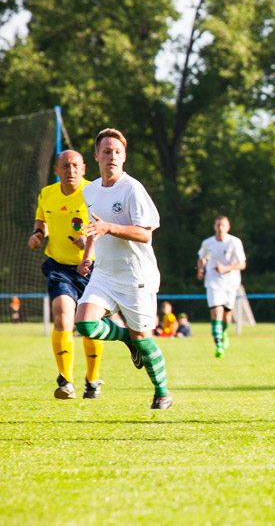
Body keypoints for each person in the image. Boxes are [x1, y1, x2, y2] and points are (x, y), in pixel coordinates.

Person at [73, 128, 172, 410]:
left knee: (144, 338)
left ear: (124, 156)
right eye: (107, 151)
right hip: (104, 272)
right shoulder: (89, 190)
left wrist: (109, 227)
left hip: (135, 275)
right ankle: (127, 338)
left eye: (118, 152)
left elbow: (145, 234)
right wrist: (87, 256)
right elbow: (94, 226)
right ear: (96, 156)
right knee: (85, 323)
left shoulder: (132, 189)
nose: (112, 156)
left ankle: (162, 393)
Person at [28, 150, 105, 399]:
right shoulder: (47, 193)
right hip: (59, 267)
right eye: (65, 166)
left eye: (75, 166)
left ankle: (92, 380)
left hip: (92, 268)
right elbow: (42, 219)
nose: (70, 170)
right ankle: (65, 381)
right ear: (56, 170)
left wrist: (89, 241)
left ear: (83, 169)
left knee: (90, 325)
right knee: (62, 316)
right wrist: (38, 234)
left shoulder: (94, 192)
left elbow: (105, 227)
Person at [197, 216, 246, 358]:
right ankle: (218, 345)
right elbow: (202, 257)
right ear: (214, 227)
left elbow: (242, 264)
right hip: (213, 281)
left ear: (228, 227)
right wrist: (200, 269)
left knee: (227, 316)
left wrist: (226, 268)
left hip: (231, 283)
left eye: (223, 225)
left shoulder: (235, 242)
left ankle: (223, 332)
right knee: (216, 311)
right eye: (218, 225)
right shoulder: (207, 243)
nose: (220, 228)